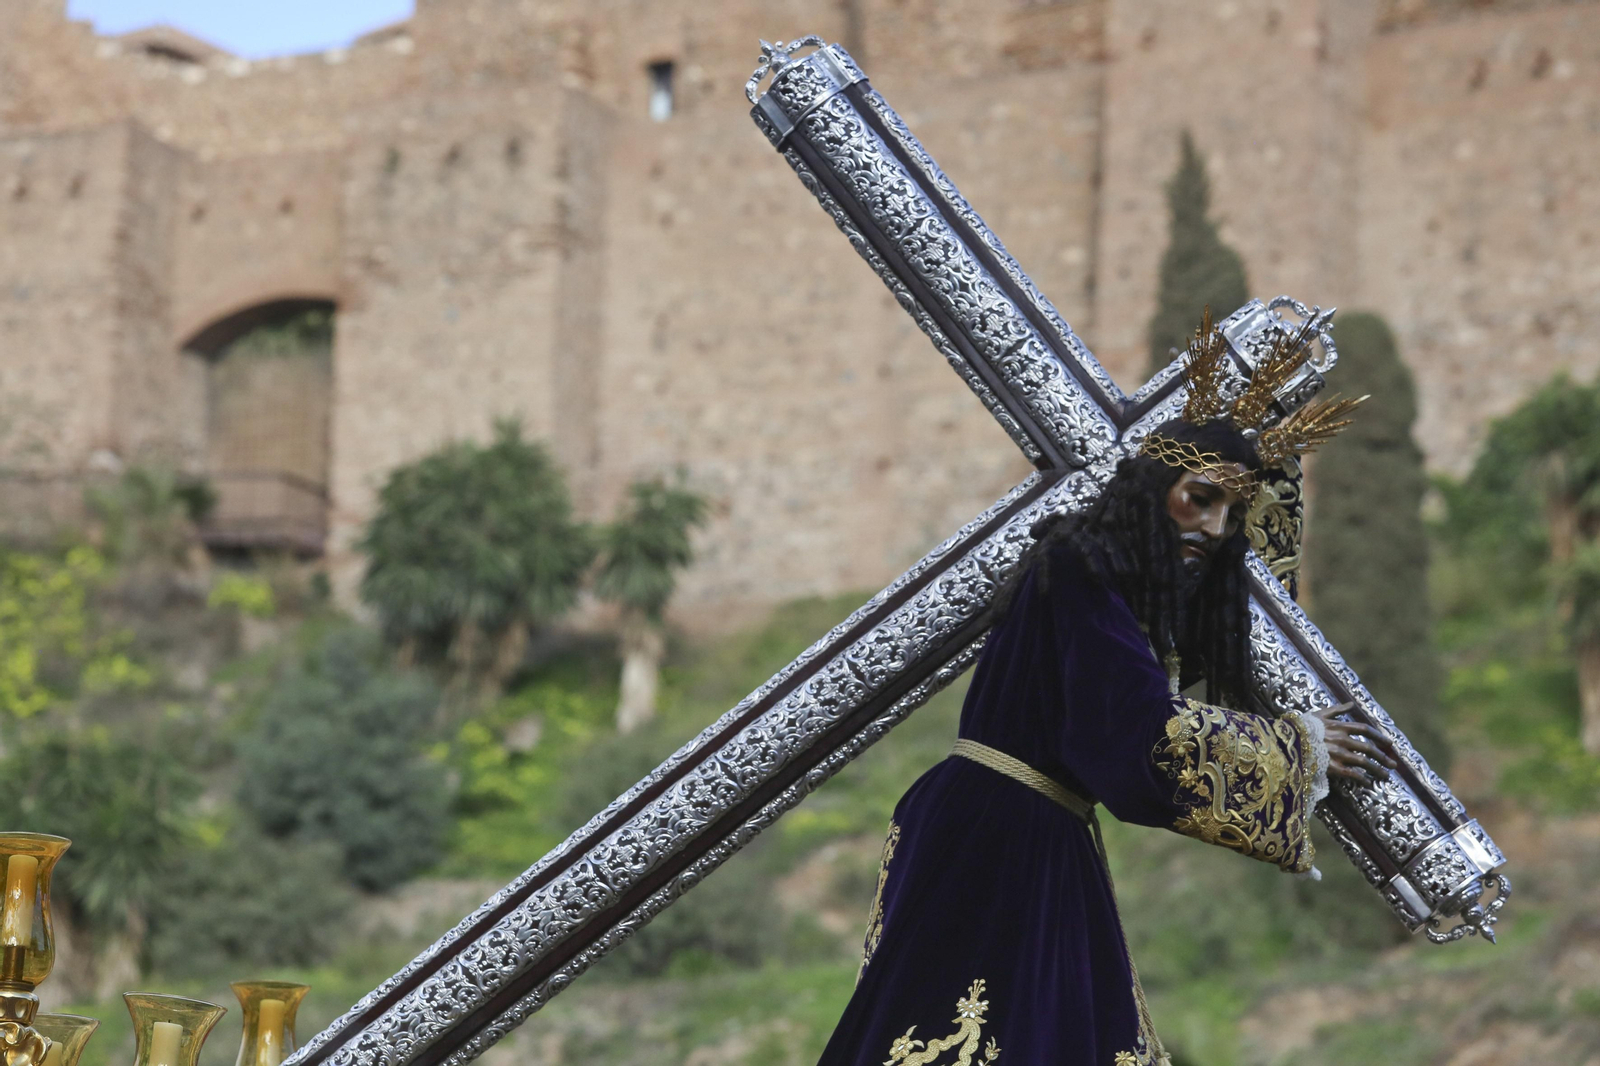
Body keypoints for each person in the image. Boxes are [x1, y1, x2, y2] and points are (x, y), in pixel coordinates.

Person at [816, 314, 1399, 1066]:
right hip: (1000, 839)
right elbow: (1132, 743)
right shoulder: (1081, 570)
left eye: (1232, 511)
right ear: (1158, 487)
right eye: (1201, 497)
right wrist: (1296, 750)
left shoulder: (1106, 585)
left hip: (1018, 830)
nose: (1215, 526)